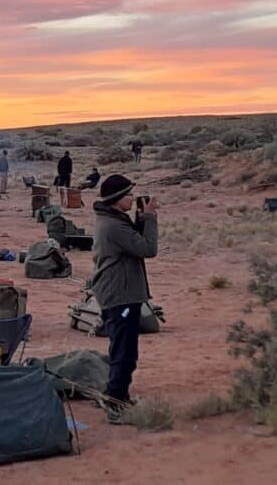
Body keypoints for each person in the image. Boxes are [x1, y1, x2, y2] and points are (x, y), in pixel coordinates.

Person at [90, 174, 158, 424]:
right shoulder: (114, 226)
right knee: (125, 351)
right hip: (120, 297)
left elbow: (136, 244)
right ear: (117, 200)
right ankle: (116, 404)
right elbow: (148, 249)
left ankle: (116, 393)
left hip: (119, 293)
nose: (132, 198)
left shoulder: (114, 219)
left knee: (122, 346)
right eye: (129, 195)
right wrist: (150, 217)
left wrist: (140, 219)